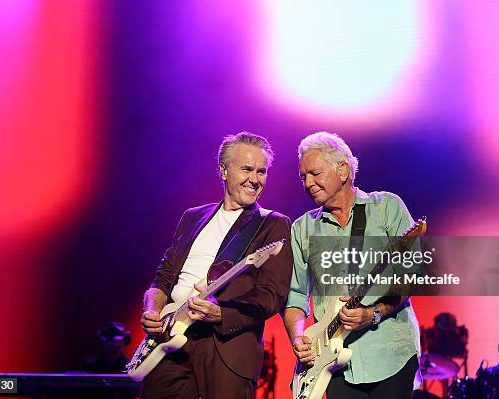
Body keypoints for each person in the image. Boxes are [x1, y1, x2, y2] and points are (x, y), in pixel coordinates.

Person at [139, 132, 293, 399]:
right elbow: (163, 278)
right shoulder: (192, 217)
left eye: (261, 171)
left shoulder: (272, 224)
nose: (255, 180)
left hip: (226, 346)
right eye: (246, 169)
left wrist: (221, 314)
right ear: (223, 170)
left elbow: (271, 296)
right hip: (170, 339)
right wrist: (153, 311)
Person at [283, 131, 421, 399]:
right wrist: (298, 336)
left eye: (314, 173)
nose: (307, 183)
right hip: (331, 363)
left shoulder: (386, 208)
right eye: (303, 177)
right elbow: (295, 295)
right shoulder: (302, 228)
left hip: (390, 354)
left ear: (343, 170)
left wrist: (374, 314)